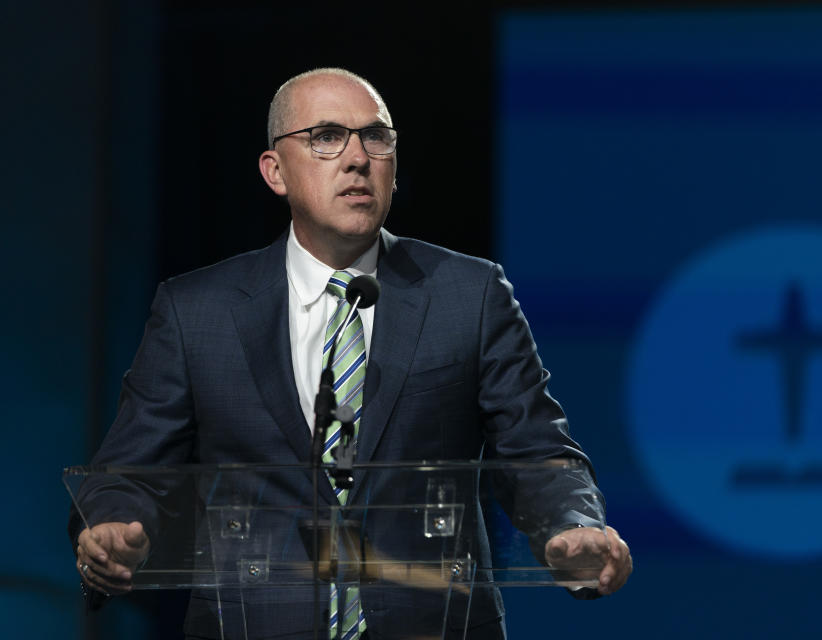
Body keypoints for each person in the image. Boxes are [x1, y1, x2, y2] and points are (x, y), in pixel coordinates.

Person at [70, 67, 631, 638]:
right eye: (326, 137)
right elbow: (133, 468)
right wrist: (113, 522)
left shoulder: (470, 294)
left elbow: (536, 450)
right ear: (275, 171)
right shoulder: (198, 310)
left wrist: (573, 524)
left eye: (376, 136)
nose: (358, 157)